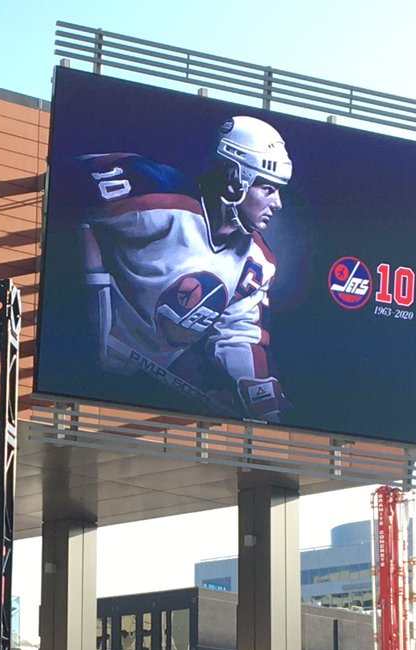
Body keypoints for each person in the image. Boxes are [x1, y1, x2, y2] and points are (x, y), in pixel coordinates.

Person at [70, 115, 294, 423]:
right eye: (268, 188)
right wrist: (90, 279)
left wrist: (258, 395)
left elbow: (238, 336)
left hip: (142, 391)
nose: (277, 203)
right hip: (73, 361)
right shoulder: (155, 195)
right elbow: (66, 187)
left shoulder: (258, 261)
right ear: (234, 179)